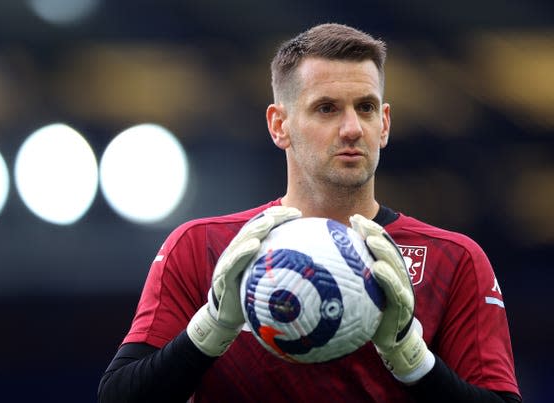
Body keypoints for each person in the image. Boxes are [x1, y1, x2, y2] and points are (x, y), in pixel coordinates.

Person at [98, 23, 521, 402]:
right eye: (327, 108)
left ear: (385, 124)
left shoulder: (455, 259)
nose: (353, 128)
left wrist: (411, 358)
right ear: (279, 125)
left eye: (367, 108)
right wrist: (211, 328)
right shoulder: (203, 248)